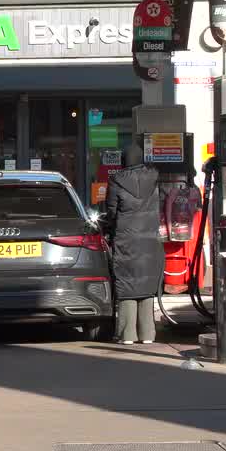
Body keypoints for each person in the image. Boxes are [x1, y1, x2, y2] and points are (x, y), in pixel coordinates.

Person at [102, 143, 163, 345]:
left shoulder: (116, 180)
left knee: (127, 282)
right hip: (149, 239)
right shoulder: (154, 178)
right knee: (146, 282)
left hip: (125, 238)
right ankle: (147, 334)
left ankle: (127, 334)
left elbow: (111, 211)